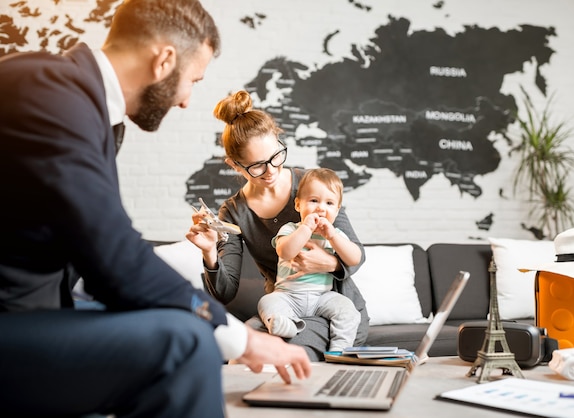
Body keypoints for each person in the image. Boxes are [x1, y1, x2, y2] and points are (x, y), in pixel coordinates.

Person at [0, 1, 310, 417]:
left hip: (35, 307)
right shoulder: (51, 97)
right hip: (16, 315)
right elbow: (114, 258)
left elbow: (101, 260)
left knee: (192, 326)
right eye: (192, 81)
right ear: (164, 60)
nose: (185, 101)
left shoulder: (72, 97)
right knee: (186, 343)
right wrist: (244, 339)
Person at [187, 90, 370, 360]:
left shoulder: (313, 185)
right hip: (284, 307)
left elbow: (357, 256)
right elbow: (225, 292)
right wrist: (209, 252)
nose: (271, 170)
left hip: (332, 310)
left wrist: (329, 264)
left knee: (285, 352)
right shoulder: (234, 212)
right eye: (257, 166)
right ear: (235, 165)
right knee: (241, 346)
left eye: (276, 156)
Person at [259, 168, 362, 351]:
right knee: (267, 302)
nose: (321, 208)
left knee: (348, 310)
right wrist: (306, 228)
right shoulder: (290, 229)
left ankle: (340, 349)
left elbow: (354, 258)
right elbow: (285, 252)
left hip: (322, 297)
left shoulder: (335, 235)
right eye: (314, 201)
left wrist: (333, 237)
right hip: (288, 296)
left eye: (329, 203)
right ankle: (288, 325)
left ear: (337, 210)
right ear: (298, 205)